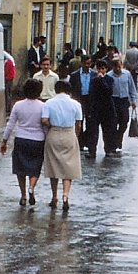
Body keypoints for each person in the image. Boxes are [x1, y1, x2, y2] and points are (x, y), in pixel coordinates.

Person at [0, 79, 46, 206]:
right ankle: (31, 186)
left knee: (20, 168)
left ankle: (23, 195)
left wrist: (4, 141)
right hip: (38, 140)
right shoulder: (43, 106)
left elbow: (10, 125)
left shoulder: (18, 105)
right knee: (35, 167)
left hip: (21, 139)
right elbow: (45, 126)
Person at [41, 80, 83, 212]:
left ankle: (54, 197)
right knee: (68, 168)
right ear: (69, 91)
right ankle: (65, 195)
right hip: (69, 133)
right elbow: (79, 124)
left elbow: (44, 120)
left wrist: (51, 126)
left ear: (56, 89)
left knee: (53, 168)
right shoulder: (76, 104)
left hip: (54, 133)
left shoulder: (49, 103)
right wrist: (75, 135)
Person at [83, 59, 118, 158]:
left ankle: (108, 150)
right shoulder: (93, 79)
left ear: (106, 69)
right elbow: (91, 94)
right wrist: (89, 108)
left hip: (107, 108)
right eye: (99, 69)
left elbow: (108, 91)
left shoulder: (109, 79)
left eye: (102, 69)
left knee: (107, 130)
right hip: (95, 109)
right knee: (93, 131)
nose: (100, 71)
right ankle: (92, 151)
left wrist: (102, 79)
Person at [107, 58, 138, 152]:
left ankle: (119, 137)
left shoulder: (127, 74)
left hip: (124, 101)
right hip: (113, 100)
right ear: (113, 67)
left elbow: (132, 87)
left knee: (124, 121)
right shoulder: (109, 76)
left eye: (119, 66)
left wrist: (134, 100)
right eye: (115, 67)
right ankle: (113, 143)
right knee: (113, 122)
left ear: (122, 66)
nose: (118, 68)